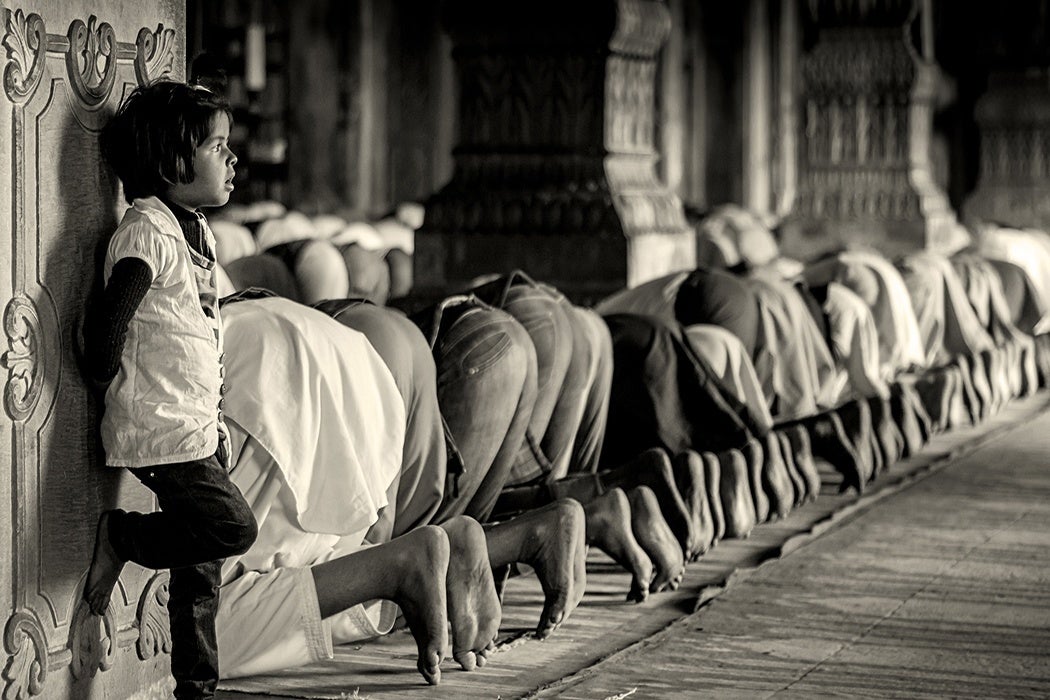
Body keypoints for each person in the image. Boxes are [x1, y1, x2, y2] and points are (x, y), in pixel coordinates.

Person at [79, 80, 258, 699]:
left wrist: (214, 420)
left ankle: (196, 690)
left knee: (200, 575)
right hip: (161, 427)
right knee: (235, 528)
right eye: (217, 146)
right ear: (170, 163)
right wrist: (111, 385)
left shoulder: (197, 232)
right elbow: (104, 333)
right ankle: (121, 536)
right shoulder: (149, 229)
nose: (232, 159)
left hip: (193, 427)